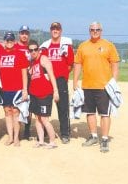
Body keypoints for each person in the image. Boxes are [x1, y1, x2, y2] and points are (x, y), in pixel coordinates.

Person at [73, 21, 120, 153]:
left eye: (97, 29)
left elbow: (115, 64)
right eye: (92, 29)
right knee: (90, 112)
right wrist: (75, 81)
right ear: (89, 31)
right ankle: (93, 136)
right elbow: (77, 64)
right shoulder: (83, 46)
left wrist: (114, 82)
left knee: (105, 113)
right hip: (87, 85)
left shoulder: (108, 45)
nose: (95, 31)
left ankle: (104, 139)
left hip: (103, 87)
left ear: (101, 30)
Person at [40, 22, 74, 144]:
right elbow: (42, 63)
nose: (55, 30)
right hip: (47, 80)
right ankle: (43, 131)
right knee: (44, 106)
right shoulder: (45, 46)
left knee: (63, 107)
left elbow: (70, 64)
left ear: (61, 30)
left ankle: (65, 133)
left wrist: (63, 75)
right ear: (50, 30)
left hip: (60, 80)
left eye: (57, 29)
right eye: (53, 28)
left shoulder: (65, 45)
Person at [0, 32, 29, 147]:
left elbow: (24, 73)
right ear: (4, 41)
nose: (9, 42)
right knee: (7, 112)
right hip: (4, 88)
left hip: (17, 88)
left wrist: (25, 89)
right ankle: (10, 137)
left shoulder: (20, 54)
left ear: (14, 41)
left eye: (11, 40)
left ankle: (16, 137)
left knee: (16, 112)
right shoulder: (0, 54)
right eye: (7, 40)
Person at [28, 40, 59, 149]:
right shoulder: (32, 61)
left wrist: (56, 91)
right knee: (37, 118)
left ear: (38, 49)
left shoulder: (43, 59)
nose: (33, 52)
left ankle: (52, 141)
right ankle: (40, 141)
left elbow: (52, 75)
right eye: (31, 50)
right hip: (34, 94)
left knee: (45, 119)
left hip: (45, 94)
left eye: (35, 49)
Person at [15, 25, 32, 140]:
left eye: (26, 33)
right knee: (15, 106)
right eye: (22, 33)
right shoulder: (14, 46)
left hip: (30, 79)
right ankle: (16, 130)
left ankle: (27, 128)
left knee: (28, 105)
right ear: (19, 34)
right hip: (16, 79)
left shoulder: (31, 48)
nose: (24, 35)